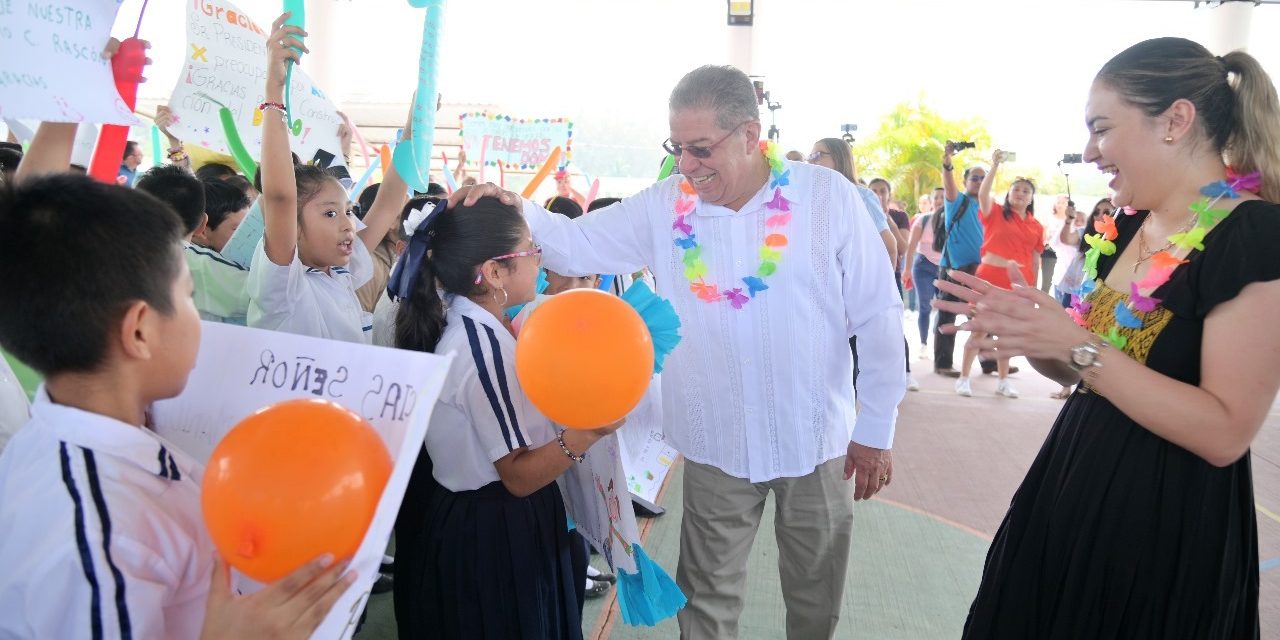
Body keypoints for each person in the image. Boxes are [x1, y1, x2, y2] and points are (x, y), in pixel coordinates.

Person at [458, 65, 906, 640]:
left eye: (700, 149)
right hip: (716, 440)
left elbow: (878, 315)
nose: (686, 166)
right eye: (677, 148)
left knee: (816, 600)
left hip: (815, 438)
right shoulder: (665, 206)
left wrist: (877, 428)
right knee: (705, 604)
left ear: (750, 135)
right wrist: (510, 205)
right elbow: (578, 240)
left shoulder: (828, 199)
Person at [935, 37, 1280, 639]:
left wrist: (1074, 344)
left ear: (1175, 120)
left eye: (1102, 129)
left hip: (1165, 526)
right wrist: (1038, 334)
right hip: (1072, 488)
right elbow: (1081, 374)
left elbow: (1226, 432)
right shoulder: (1125, 228)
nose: (1091, 151)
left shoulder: (1253, 234)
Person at [0, 164, 354, 637]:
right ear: (140, 330)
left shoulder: (80, 444)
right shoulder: (100, 539)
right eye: (188, 296)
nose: (200, 318)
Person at [389, 197, 618, 639]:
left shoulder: (482, 327)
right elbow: (517, 475)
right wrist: (586, 433)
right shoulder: (481, 351)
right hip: (496, 528)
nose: (541, 261)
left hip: (497, 519)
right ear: (493, 273)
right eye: (531, 251)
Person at [248, 19, 407, 343]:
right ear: (290, 225)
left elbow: (389, 204)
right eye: (330, 213)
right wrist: (274, 93)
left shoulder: (341, 272)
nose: (349, 224)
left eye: (348, 211)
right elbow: (280, 197)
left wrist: (413, 132)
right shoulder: (283, 288)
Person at [953, 153, 1043, 399]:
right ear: (1009, 193)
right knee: (979, 330)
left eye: (1026, 191)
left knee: (1007, 334)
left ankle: (1003, 381)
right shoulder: (995, 212)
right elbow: (982, 194)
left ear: (1031, 197)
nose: (1020, 194)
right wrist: (995, 166)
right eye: (1016, 189)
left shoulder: (1036, 226)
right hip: (989, 280)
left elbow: (1035, 259)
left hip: (1016, 286)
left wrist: (1034, 291)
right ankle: (963, 378)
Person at [935, 145, 1003, 378]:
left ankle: (989, 363)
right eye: (974, 178)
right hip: (955, 268)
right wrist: (947, 162)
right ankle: (943, 364)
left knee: (983, 316)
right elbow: (948, 180)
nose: (978, 181)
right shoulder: (957, 200)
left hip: (980, 270)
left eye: (982, 178)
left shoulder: (988, 206)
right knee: (947, 315)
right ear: (965, 181)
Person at [904, 187, 945, 356]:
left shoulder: (954, 220)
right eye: (936, 197)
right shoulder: (923, 219)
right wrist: (906, 269)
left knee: (943, 307)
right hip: (923, 266)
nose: (939, 200)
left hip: (945, 267)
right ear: (932, 201)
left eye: (943, 197)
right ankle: (923, 343)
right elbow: (911, 246)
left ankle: (938, 339)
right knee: (925, 306)